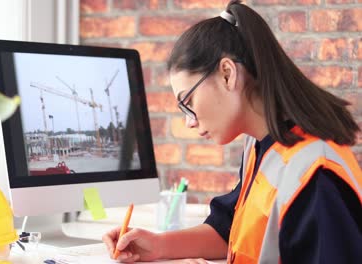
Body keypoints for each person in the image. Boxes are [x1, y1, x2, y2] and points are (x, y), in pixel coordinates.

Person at [102, 0, 362, 263]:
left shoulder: (313, 175)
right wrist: (158, 246)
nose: (189, 122)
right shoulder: (261, 146)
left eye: (188, 102)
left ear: (227, 74)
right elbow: (230, 231)